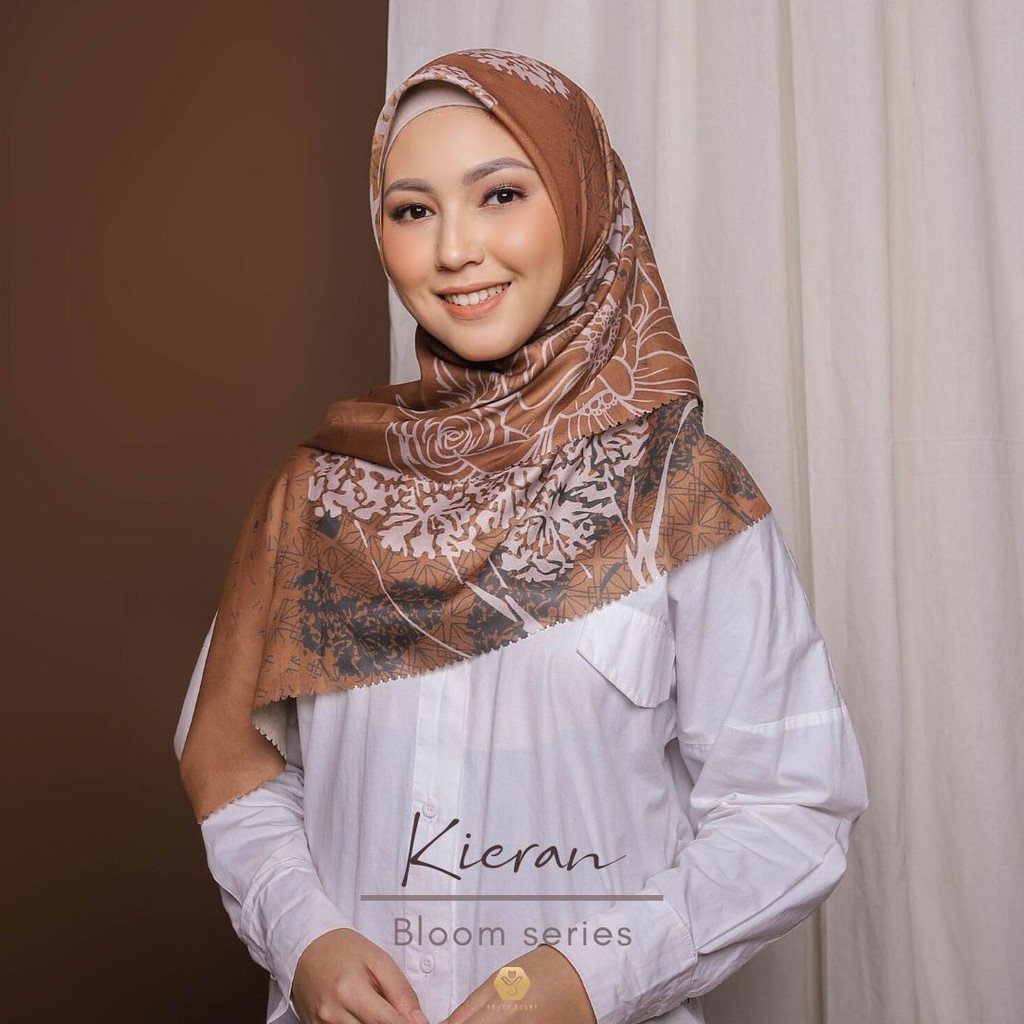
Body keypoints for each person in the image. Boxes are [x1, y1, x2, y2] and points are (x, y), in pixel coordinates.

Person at [174, 48, 868, 1024]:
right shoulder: (320, 496)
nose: (454, 248)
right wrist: (305, 938)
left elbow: (789, 807)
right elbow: (233, 763)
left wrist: (591, 975)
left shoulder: (681, 498)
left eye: (500, 194)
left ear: (583, 205)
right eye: (412, 210)